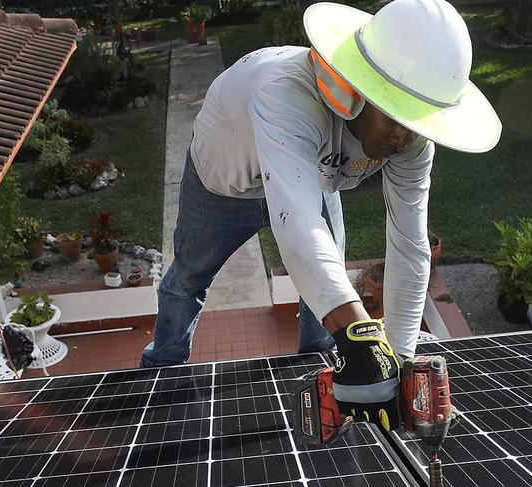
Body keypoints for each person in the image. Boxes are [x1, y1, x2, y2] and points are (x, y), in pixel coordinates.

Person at [141, 0, 501, 431]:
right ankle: (161, 368)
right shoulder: (285, 92)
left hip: (313, 181)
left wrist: (399, 359)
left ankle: (318, 367)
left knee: (327, 287)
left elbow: (409, 242)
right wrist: (360, 337)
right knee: (188, 277)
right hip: (225, 187)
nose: (405, 136)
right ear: (357, 89)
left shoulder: (410, 140)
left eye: (417, 122)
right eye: (396, 115)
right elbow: (298, 221)